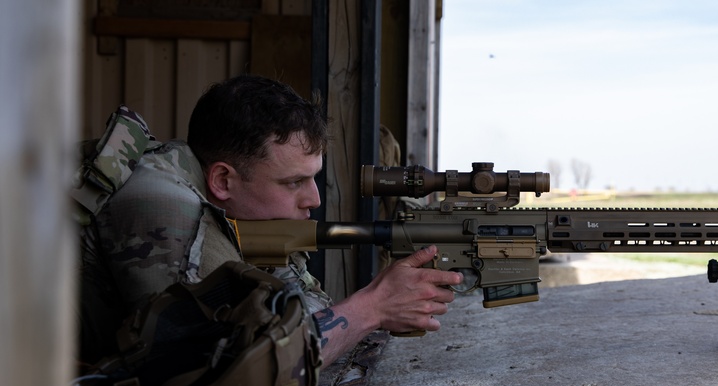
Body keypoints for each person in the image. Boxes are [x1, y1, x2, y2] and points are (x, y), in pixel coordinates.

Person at [77, 74, 461, 367]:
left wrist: (370, 308)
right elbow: (233, 370)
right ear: (223, 180)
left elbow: (298, 312)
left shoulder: (240, 214)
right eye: (293, 182)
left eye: (312, 178)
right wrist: (372, 307)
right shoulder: (160, 206)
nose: (313, 199)